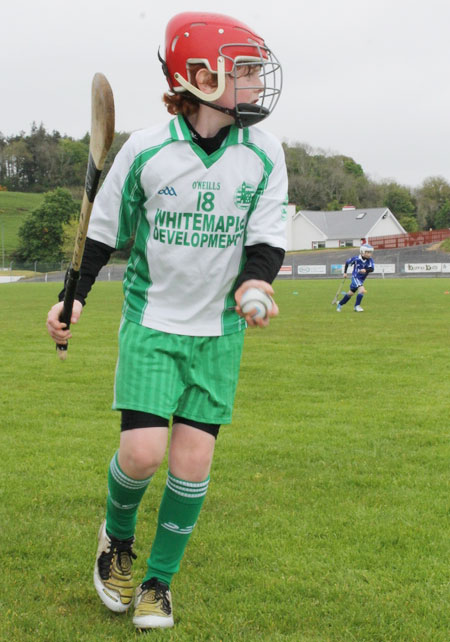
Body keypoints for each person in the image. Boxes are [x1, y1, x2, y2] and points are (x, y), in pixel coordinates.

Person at [46, 11, 287, 632]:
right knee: (144, 452)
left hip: (219, 333)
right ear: (200, 76)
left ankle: (158, 582)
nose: (259, 84)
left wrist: (257, 281)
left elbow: (266, 236)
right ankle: (117, 539)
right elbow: (102, 235)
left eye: (258, 70)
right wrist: (72, 299)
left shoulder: (264, 153)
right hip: (153, 323)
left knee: (192, 464)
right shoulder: (147, 149)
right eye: (247, 72)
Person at [336, 243, 374, 312]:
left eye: (370, 252)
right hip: (355, 277)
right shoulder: (356, 259)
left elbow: (372, 269)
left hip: (361, 280)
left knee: (350, 293)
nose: (369, 254)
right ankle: (357, 306)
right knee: (362, 290)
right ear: (362, 252)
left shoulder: (370, 260)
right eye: (368, 252)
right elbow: (347, 263)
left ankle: (340, 304)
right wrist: (345, 272)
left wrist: (365, 270)